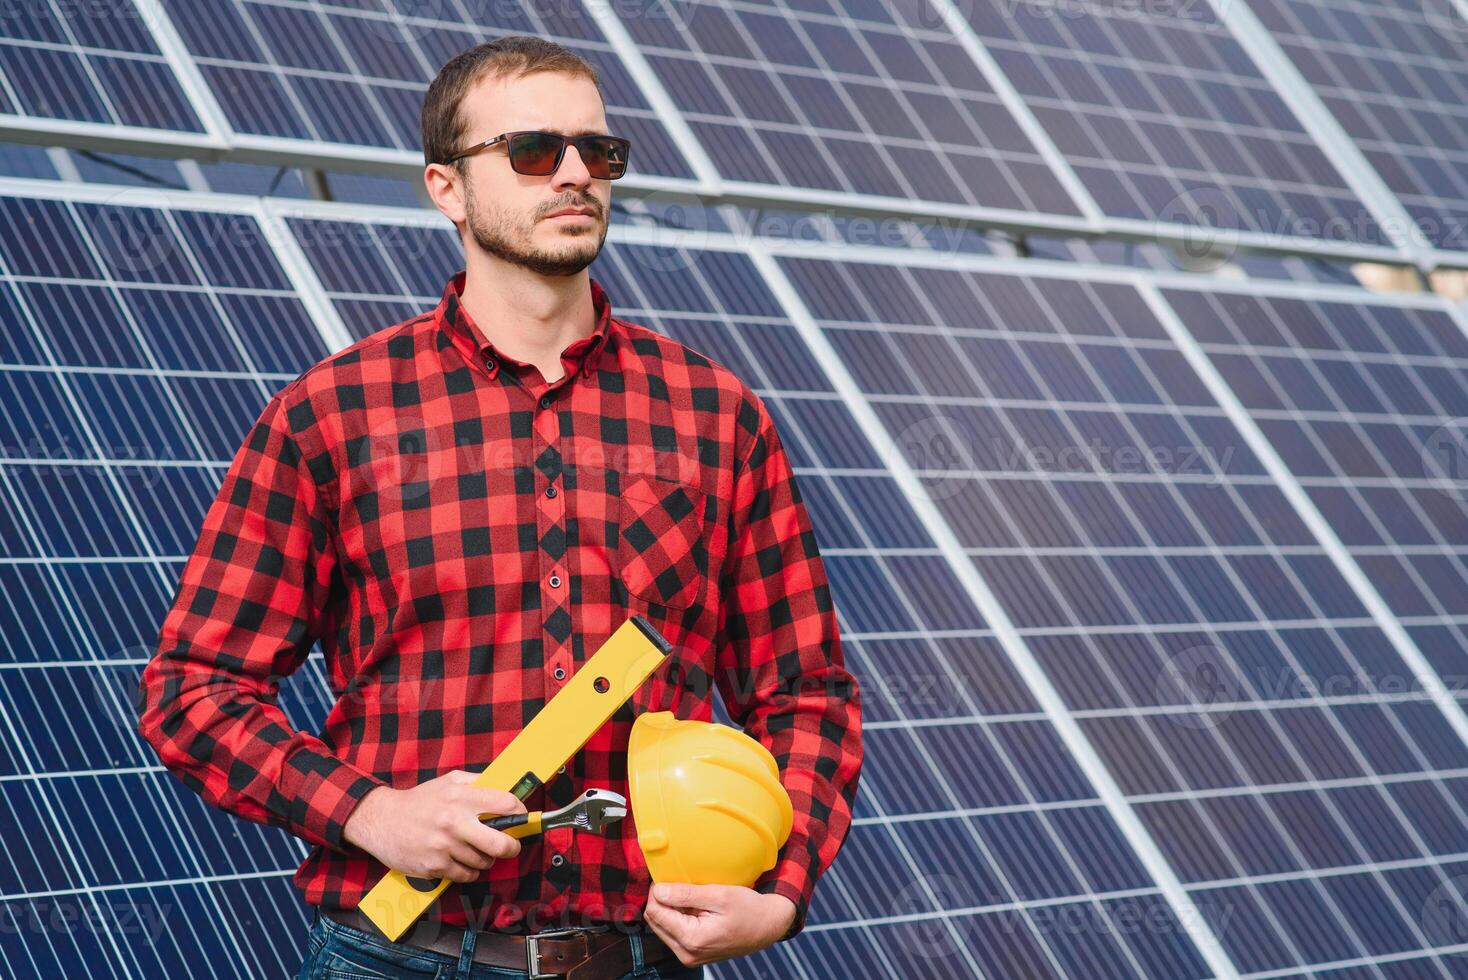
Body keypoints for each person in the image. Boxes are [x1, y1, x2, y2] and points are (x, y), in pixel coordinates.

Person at [137, 34, 862, 980]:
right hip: (397, 956)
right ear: (447, 186)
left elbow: (804, 693)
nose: (574, 175)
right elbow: (194, 690)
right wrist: (370, 812)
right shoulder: (336, 412)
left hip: (639, 959)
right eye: (532, 151)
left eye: (598, 154)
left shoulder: (715, 414)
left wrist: (781, 887)